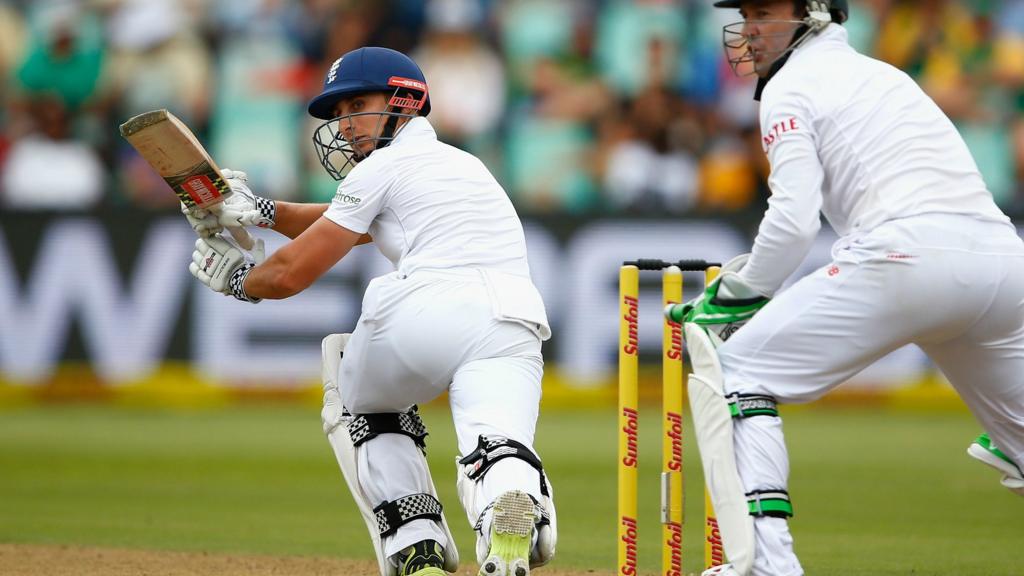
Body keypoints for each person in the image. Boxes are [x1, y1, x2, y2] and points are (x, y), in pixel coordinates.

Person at [664, 2, 1024, 575]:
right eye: (746, 14)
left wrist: (738, 293)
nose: (748, 30)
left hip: (905, 256)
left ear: (811, 12)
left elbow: (793, 221)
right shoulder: (883, 73)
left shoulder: (790, 86)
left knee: (737, 369)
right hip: (1003, 265)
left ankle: (766, 565)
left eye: (763, 14)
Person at [184, 46, 557, 576]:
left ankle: (416, 543)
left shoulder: (379, 168)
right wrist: (262, 211)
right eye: (337, 114)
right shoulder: (463, 164)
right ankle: (508, 514)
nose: (345, 123)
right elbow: (355, 223)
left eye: (356, 104)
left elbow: (292, 272)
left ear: (404, 101)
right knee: (494, 442)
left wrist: (239, 280)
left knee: (355, 391)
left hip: (425, 309)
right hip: (514, 320)